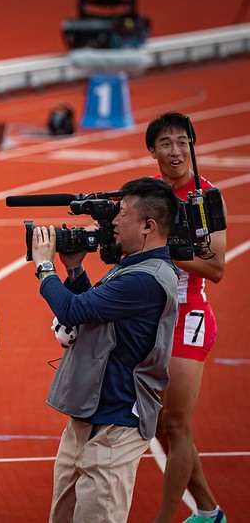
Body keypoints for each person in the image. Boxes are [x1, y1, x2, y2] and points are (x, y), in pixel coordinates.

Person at [30, 176, 180, 522]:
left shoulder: (145, 278)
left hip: (116, 424)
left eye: (121, 213)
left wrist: (44, 267)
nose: (112, 221)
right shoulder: (132, 269)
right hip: (89, 416)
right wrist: (74, 269)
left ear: (147, 225)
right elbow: (95, 315)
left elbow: (72, 311)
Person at [146, 113, 228, 523]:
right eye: (165, 143)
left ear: (192, 145)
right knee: (163, 427)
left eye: (182, 142)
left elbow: (216, 269)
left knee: (176, 425)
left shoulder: (207, 198)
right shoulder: (147, 196)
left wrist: (169, 251)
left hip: (188, 314)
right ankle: (210, 511)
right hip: (151, 316)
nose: (175, 151)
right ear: (153, 151)